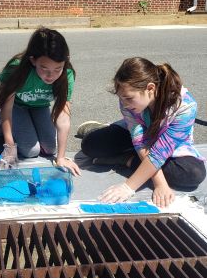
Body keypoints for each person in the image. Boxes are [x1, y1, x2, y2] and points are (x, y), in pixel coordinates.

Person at [80, 57, 206, 208]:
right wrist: (159, 182)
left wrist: (128, 187)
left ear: (150, 88)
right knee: (91, 145)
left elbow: (161, 151)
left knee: (192, 175)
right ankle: (132, 157)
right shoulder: (128, 100)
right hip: (139, 136)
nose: (125, 105)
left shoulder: (185, 106)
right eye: (122, 98)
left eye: (129, 99)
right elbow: (140, 141)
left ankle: (126, 159)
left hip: (169, 144)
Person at [0, 27, 81, 176]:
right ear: (33, 60)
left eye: (58, 69)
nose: (51, 76)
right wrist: (10, 146)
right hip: (16, 107)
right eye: (44, 69)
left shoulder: (67, 74)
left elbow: (63, 117)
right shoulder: (16, 69)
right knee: (31, 151)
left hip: (40, 106)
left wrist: (61, 157)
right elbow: (8, 107)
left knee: (51, 149)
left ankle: (26, 126)